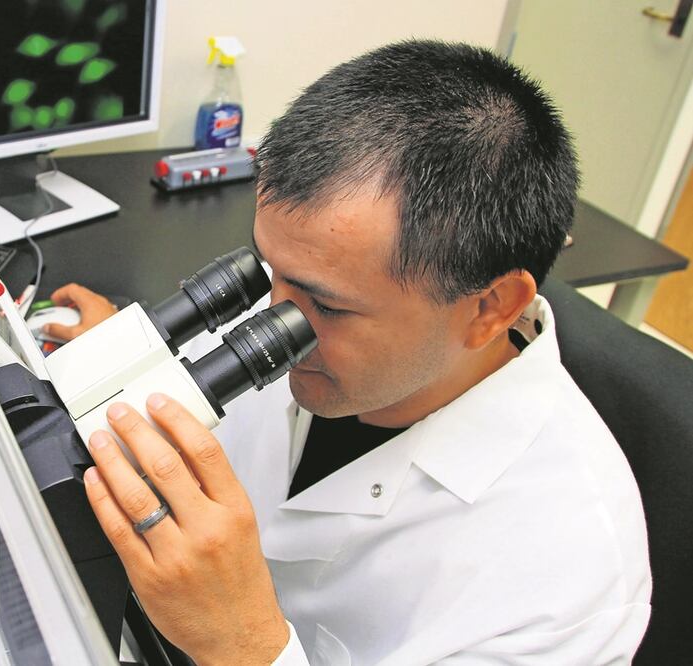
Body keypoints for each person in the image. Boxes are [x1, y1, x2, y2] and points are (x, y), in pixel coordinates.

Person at [43, 40, 651, 665]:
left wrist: (245, 644)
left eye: (328, 308)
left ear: (490, 308)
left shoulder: (569, 579)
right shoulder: (326, 276)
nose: (274, 319)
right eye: (268, 272)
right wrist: (126, 355)